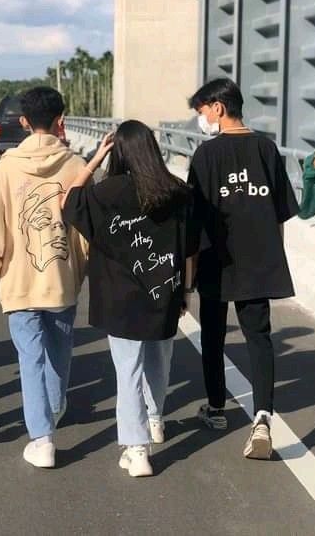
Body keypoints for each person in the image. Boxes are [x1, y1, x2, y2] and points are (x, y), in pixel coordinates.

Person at [63, 120, 197, 477]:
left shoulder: (106, 193)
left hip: (119, 300)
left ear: (117, 151)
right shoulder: (178, 192)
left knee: (128, 371)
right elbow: (189, 250)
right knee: (159, 359)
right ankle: (155, 420)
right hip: (164, 292)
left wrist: (93, 161)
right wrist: (185, 291)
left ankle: (137, 450)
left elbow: (70, 202)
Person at [187, 78, 299, 460]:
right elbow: (281, 211)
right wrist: (272, 253)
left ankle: (216, 409)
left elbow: (194, 220)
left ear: (218, 108)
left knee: (214, 337)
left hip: (217, 262)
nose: (202, 120)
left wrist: (188, 275)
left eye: (202, 112)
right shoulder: (267, 149)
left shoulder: (205, 157)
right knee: (259, 337)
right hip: (258, 261)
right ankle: (263, 417)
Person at [0, 86, 87, 468]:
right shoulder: (76, 166)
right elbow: (86, 230)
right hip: (61, 278)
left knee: (30, 357)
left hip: (20, 279)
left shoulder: (6, 166)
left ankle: (41, 439)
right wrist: (81, 267)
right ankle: (54, 407)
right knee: (60, 347)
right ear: (61, 120)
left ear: (24, 122)